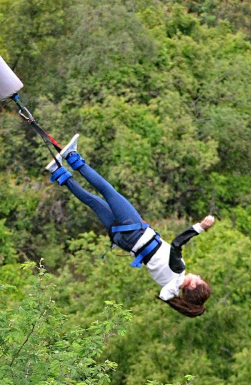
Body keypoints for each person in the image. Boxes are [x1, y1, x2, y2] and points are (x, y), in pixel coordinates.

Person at [45, 134, 214, 317]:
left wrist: (199, 228)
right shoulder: (167, 288)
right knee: (94, 202)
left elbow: (176, 244)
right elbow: (166, 296)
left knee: (107, 190)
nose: (198, 276)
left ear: (194, 285)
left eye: (200, 280)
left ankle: (72, 157)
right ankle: (58, 171)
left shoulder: (178, 271)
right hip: (123, 241)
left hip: (134, 230)